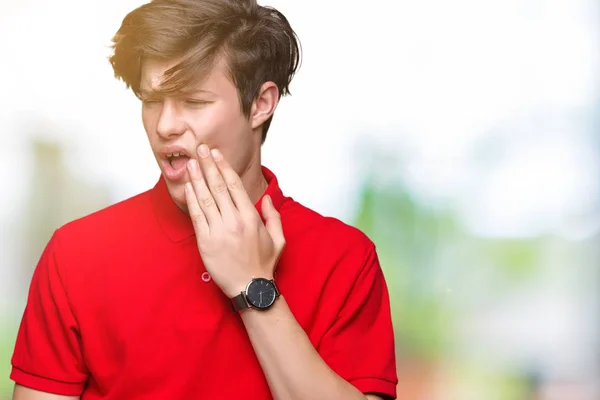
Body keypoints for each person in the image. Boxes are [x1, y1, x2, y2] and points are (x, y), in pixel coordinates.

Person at [10, 0, 398, 399]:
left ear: (261, 104)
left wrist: (254, 286)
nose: (165, 125)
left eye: (193, 102)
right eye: (151, 100)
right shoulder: (77, 253)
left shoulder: (346, 259)